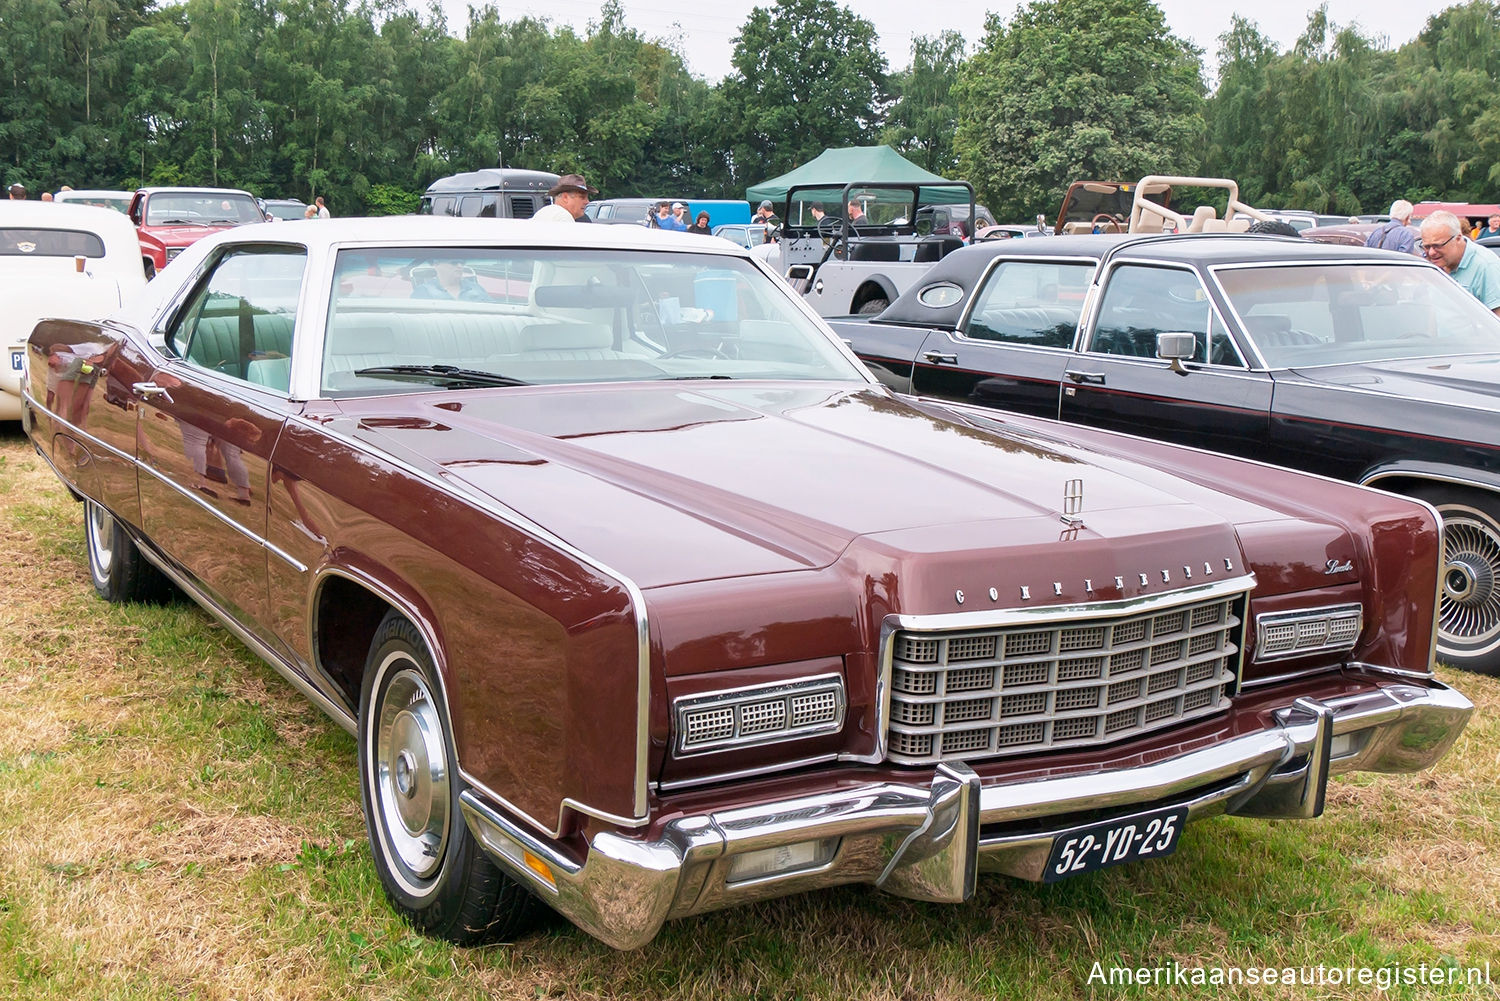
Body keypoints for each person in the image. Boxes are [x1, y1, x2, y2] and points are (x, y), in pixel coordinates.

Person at [1420, 209, 1500, 315]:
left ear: (1458, 238)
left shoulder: (1486, 265)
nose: (1431, 253)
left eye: (1437, 246)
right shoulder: (1433, 264)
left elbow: (1496, 321)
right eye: (1426, 246)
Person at [412, 255, 490, 301]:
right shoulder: (423, 291)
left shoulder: (476, 288)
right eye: (454, 263)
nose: (460, 266)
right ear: (436, 264)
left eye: (462, 263)